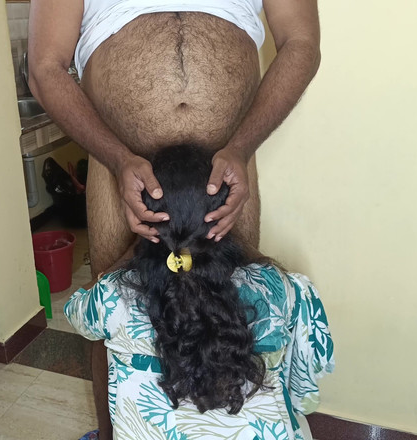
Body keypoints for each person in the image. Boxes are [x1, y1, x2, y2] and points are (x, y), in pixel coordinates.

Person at [28, 1, 320, 438]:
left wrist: (241, 147)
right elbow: (44, 68)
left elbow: (301, 43)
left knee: (235, 313)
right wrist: (118, 158)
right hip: (118, 169)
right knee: (116, 321)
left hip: (225, 177)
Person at [64, 145, 334, 440]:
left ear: (145, 221)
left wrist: (134, 249)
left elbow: (75, 310)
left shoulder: (113, 297)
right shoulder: (282, 289)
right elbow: (305, 397)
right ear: (225, 215)